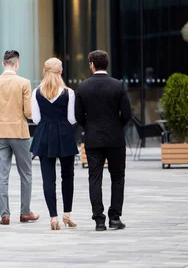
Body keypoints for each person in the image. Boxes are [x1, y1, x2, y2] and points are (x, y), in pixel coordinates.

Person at [75, 50, 131, 231]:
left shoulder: (82, 87)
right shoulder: (118, 86)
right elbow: (127, 114)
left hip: (93, 139)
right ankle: (115, 218)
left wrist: (89, 127)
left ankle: (99, 220)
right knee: (118, 178)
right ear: (107, 64)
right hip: (115, 138)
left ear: (91, 64)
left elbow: (78, 116)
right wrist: (117, 126)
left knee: (95, 178)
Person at [0, 50, 39, 225]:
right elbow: (28, 112)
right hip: (20, 133)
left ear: (3, 64)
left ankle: (5, 215)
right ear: (17, 64)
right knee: (26, 174)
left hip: (0, 132)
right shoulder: (24, 83)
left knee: (2, 175)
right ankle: (25, 212)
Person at [31, 58, 78, 230]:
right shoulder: (69, 93)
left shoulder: (36, 92)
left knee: (48, 179)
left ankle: (53, 217)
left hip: (44, 134)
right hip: (64, 134)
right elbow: (72, 119)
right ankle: (67, 214)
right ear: (60, 72)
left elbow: (35, 119)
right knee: (68, 175)